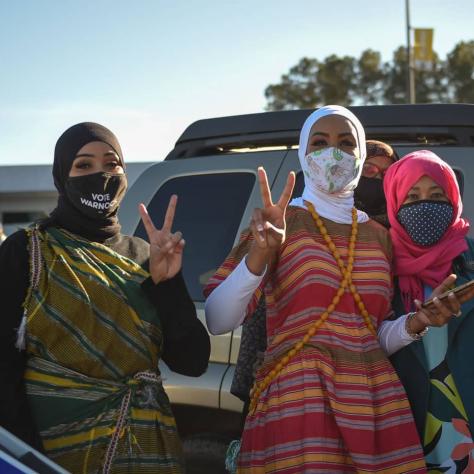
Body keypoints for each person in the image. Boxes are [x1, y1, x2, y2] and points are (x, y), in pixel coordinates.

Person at [205, 105, 427, 473]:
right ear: (303, 154)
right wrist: (260, 255)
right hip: (301, 400)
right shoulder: (282, 221)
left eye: (346, 143)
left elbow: (369, 335)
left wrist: (414, 324)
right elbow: (217, 319)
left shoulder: (379, 236)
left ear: (360, 154)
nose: (333, 152)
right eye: (320, 142)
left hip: (375, 403)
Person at [0, 122, 210, 473]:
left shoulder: (146, 255)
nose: (101, 175)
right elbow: (3, 368)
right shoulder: (28, 250)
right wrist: (29, 458)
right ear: (61, 175)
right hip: (53, 453)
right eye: (84, 165)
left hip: (147, 449)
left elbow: (192, 361)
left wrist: (168, 284)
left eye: (111, 164)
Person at [384, 150, 474, 473]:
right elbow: (365, 342)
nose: (425, 205)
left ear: (453, 199)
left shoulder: (469, 258)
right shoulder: (379, 265)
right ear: (394, 205)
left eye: (437, 195)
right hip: (406, 425)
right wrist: (415, 322)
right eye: (412, 197)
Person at [354, 139, 399, 228]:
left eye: (387, 173)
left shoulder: (405, 223)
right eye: (369, 169)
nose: (379, 178)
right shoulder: (334, 217)